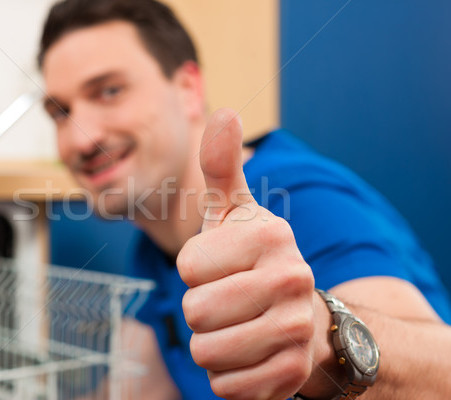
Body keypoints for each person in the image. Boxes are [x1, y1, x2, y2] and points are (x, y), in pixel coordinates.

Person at [37, 0, 451, 398]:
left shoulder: (293, 201)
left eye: (109, 91)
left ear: (187, 88)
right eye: (60, 112)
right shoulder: (154, 250)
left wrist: (320, 338)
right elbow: (138, 389)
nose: (78, 138)